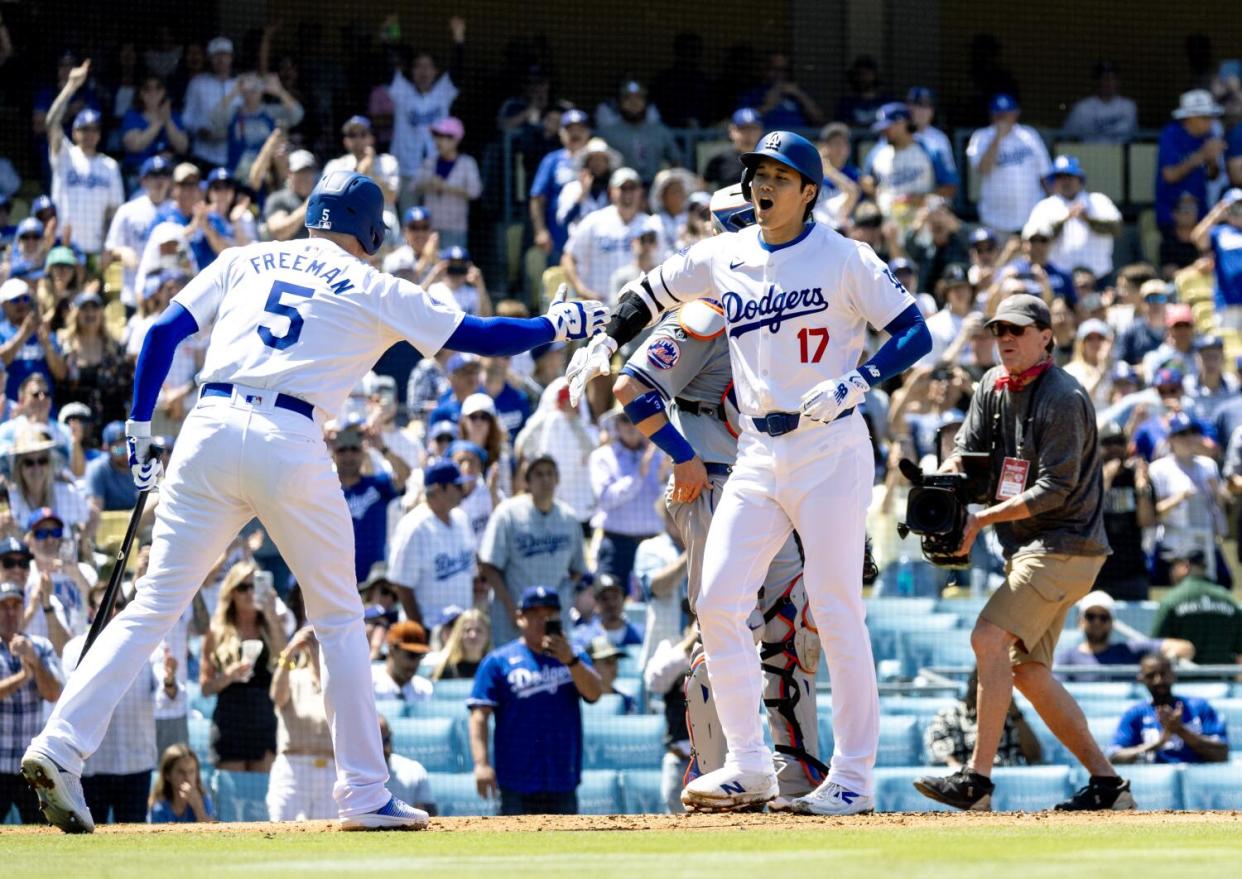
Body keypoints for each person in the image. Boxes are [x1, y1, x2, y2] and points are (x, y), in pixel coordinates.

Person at [22, 170, 608, 833]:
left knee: (154, 605)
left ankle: (59, 744)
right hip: (289, 436)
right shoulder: (374, 283)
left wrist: (136, 427)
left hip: (206, 428)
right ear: (370, 231)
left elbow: (159, 332)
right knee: (336, 616)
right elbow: (484, 337)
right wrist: (558, 321)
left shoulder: (245, 257)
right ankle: (363, 791)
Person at [570, 133, 932, 813]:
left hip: (830, 446)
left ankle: (852, 777)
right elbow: (648, 292)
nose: (762, 185)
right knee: (715, 601)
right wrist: (607, 338)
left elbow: (915, 331)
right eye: (756, 174)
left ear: (810, 191)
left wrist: (859, 380)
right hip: (758, 456)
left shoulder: (846, 257)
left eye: (778, 175)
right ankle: (747, 763)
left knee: (834, 607)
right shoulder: (724, 253)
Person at [911, 293, 1136, 813]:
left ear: (1046, 336)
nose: (1006, 339)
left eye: (1017, 330)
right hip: (1037, 550)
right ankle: (1108, 785)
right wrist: (942, 483)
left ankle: (977, 781)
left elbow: (1057, 488)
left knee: (988, 637)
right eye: (999, 331)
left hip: (1065, 544)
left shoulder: (1064, 396)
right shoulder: (992, 384)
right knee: (1027, 671)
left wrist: (982, 518)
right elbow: (967, 456)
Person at [467, 585, 602, 815]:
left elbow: (594, 693)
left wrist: (570, 660)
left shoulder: (574, 655)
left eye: (549, 614)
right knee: (514, 849)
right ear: (520, 618)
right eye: (535, 614)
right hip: (515, 781)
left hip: (562, 778)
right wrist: (481, 764)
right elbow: (479, 716)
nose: (543, 620)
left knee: (568, 848)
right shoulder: (498, 661)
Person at [62, 585, 160, 825]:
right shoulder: (75, 649)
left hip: (136, 763)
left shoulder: (148, 645)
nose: (113, 612)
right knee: (89, 838)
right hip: (93, 765)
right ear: (90, 611)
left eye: (118, 605)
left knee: (136, 841)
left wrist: (169, 681)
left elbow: (169, 698)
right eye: (105, 606)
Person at [479, 454, 587, 646]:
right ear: (527, 481)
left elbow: (578, 568)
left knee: (556, 669)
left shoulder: (569, 518)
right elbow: (488, 566)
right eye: (538, 474)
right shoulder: (508, 514)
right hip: (514, 617)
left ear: (557, 479)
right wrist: (511, 608)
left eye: (550, 474)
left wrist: (564, 594)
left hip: (554, 617)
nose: (545, 480)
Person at [199, 562, 285, 773]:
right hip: (230, 720)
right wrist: (228, 677)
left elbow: (285, 661)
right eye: (243, 587)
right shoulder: (216, 631)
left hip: (264, 718)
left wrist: (272, 616)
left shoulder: (270, 625)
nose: (249, 592)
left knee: (261, 798)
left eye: (254, 586)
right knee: (232, 798)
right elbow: (205, 687)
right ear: (232, 593)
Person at [45, 59, 125, 258]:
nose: (90, 134)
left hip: (94, 251)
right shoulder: (65, 154)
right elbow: (51, 123)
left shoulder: (110, 166)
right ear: (74, 132)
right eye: (84, 129)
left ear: (100, 134)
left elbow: (113, 213)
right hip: (63, 247)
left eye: (94, 129)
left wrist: (108, 247)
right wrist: (70, 86)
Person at [0, 577, 63, 824]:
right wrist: (23, 676)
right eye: (4, 606)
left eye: (15, 606)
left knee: (41, 831)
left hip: (29, 765)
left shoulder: (40, 646)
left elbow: (53, 693)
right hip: (0, 761)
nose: (10, 612)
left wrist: (35, 662)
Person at [388, 459, 475, 625]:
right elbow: (402, 586)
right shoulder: (414, 527)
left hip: (462, 629)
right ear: (437, 489)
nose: (462, 490)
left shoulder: (462, 518)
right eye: (456, 486)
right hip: (432, 628)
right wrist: (420, 630)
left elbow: (471, 572)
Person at [1148, 412, 1228, 584]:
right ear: (1171, 438)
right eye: (1182, 434)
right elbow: (1155, 512)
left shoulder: (1208, 465)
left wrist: (1217, 489)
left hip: (1205, 541)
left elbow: (1220, 505)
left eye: (1193, 432)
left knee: (1221, 586)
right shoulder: (1159, 468)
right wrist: (1180, 497)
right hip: (1174, 544)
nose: (1189, 438)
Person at [589, 411, 665, 591]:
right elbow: (606, 499)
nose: (631, 424)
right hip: (616, 546)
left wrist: (665, 477)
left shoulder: (659, 455)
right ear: (616, 425)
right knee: (610, 604)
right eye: (625, 419)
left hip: (653, 544)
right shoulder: (602, 457)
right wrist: (639, 474)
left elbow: (666, 501)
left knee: (652, 603)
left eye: (634, 417)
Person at [267, 626, 337, 821]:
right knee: (282, 831)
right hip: (294, 768)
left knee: (329, 838)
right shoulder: (294, 677)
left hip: (331, 769)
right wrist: (290, 652)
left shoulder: (338, 682)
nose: (317, 647)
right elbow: (277, 697)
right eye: (313, 642)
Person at [1109, 653, 1228, 764]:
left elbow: (1222, 754)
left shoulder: (1199, 707)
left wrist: (1180, 730)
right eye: (1151, 676)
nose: (1158, 680)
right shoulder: (1135, 714)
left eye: (1163, 674)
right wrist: (1158, 743)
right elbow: (1114, 757)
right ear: (1141, 678)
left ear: (1173, 675)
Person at [561, 168, 653, 303]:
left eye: (632, 188)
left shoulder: (651, 225)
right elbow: (568, 257)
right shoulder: (594, 221)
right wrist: (581, 289)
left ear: (640, 192)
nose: (628, 193)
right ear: (611, 191)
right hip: (598, 306)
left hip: (638, 308)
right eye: (623, 188)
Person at [966, 95, 1053, 235]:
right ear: (991, 115)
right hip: (995, 221)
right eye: (999, 115)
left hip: (1031, 219)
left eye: (1007, 114)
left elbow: (1045, 174)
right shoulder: (981, 137)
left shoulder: (1029, 135)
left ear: (1016, 113)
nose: (1003, 118)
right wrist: (998, 137)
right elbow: (983, 169)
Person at [1026, 155, 1123, 280]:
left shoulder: (1098, 200)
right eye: (1060, 177)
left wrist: (1088, 219)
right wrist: (1065, 218)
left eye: (1069, 176)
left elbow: (1116, 229)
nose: (1065, 181)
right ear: (1054, 181)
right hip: (1060, 279)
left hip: (1099, 277)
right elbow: (1034, 242)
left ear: (1080, 179)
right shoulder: (1044, 206)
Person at [329, 419, 401, 586]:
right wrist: (317, 446)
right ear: (334, 453)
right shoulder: (323, 489)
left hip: (374, 582)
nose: (348, 455)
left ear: (363, 452)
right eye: (342, 450)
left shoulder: (377, 484)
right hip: (336, 580)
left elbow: (405, 476)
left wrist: (382, 448)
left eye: (354, 449)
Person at [1055, 591, 1194, 677]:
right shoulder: (1066, 659)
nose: (1097, 622)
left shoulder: (1130, 651)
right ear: (1080, 621)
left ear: (1112, 622)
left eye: (1103, 617)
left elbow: (1185, 648)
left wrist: (1169, 658)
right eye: (1091, 616)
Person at [926, 668, 1042, 769]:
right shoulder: (949, 714)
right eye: (980, 683)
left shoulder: (1010, 716)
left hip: (1006, 783)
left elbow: (1034, 756)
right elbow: (937, 751)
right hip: (965, 785)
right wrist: (959, 772)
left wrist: (1015, 713)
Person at [1093, 423, 1156, 601]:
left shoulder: (1135, 477)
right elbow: (1088, 515)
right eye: (1108, 442)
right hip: (1095, 572)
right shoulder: (1088, 477)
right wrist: (1106, 479)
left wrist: (1142, 489)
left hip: (1131, 572)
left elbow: (1146, 522)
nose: (1114, 448)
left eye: (1119, 442)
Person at [1152, 549, 1242, 665]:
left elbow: (1155, 646)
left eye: (1173, 566)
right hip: (1223, 679)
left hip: (1183, 680)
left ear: (1186, 566)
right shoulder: (1229, 600)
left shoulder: (1172, 599)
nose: (1170, 571)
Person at [1156, 90, 1225, 238]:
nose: (1210, 121)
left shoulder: (1209, 136)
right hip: (1171, 216)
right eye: (1204, 117)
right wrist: (1201, 155)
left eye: (1211, 117)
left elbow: (1213, 176)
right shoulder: (1171, 134)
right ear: (1189, 118)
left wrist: (1212, 160)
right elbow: (1170, 175)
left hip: (1200, 216)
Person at [413, 117, 480, 249]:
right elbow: (414, 186)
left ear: (456, 140)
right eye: (437, 136)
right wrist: (429, 184)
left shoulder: (467, 163)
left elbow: (475, 191)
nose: (439, 141)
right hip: (429, 228)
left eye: (444, 137)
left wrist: (447, 187)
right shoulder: (429, 161)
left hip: (455, 227)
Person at [1192, 188, 1242, 328]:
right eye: (1235, 206)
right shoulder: (1218, 232)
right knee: (1227, 345)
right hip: (1227, 301)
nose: (1239, 211)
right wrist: (1215, 215)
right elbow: (1197, 238)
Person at [1062, 62, 1138, 143]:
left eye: (1112, 78)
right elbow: (1066, 136)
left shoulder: (1129, 107)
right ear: (1097, 81)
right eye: (1104, 78)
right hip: (1090, 153)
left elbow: (1135, 137)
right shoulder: (1082, 108)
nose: (1108, 82)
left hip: (1121, 153)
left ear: (1118, 81)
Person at [377, 716, 436, 815]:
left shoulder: (413, 770)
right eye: (377, 744)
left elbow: (430, 815)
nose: (384, 748)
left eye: (386, 740)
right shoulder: (345, 775)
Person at [147, 743, 216, 823]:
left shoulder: (204, 800)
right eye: (181, 772)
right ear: (167, 775)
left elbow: (210, 832)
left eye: (191, 771)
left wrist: (198, 808)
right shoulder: (159, 808)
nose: (187, 777)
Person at [572, 573, 643, 650]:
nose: (611, 604)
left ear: (623, 598)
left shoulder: (642, 634)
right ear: (596, 603)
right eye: (604, 599)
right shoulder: (583, 637)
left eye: (615, 597)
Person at [372, 620, 434, 703]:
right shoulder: (369, 683)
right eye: (411, 655)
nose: (415, 662)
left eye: (420, 656)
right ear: (392, 651)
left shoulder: (425, 689)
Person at [703, 108, 763, 191]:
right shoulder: (719, 159)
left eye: (753, 128)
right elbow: (702, 187)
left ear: (760, 131)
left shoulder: (766, 159)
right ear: (732, 130)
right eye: (743, 128)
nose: (748, 133)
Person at [425, 608, 490, 681]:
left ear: (487, 635)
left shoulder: (494, 670)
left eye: (479, 630)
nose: (473, 635)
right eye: (467, 630)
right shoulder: (444, 670)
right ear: (458, 635)